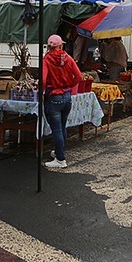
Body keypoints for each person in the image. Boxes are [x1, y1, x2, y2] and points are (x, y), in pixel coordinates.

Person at [41, 34, 83, 169]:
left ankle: (60, 159)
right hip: (67, 96)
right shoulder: (68, 57)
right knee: (62, 127)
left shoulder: (46, 59)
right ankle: (58, 152)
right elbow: (79, 76)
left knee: (57, 130)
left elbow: (43, 80)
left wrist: (42, 92)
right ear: (60, 45)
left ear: (49, 46)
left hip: (54, 97)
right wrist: (69, 85)